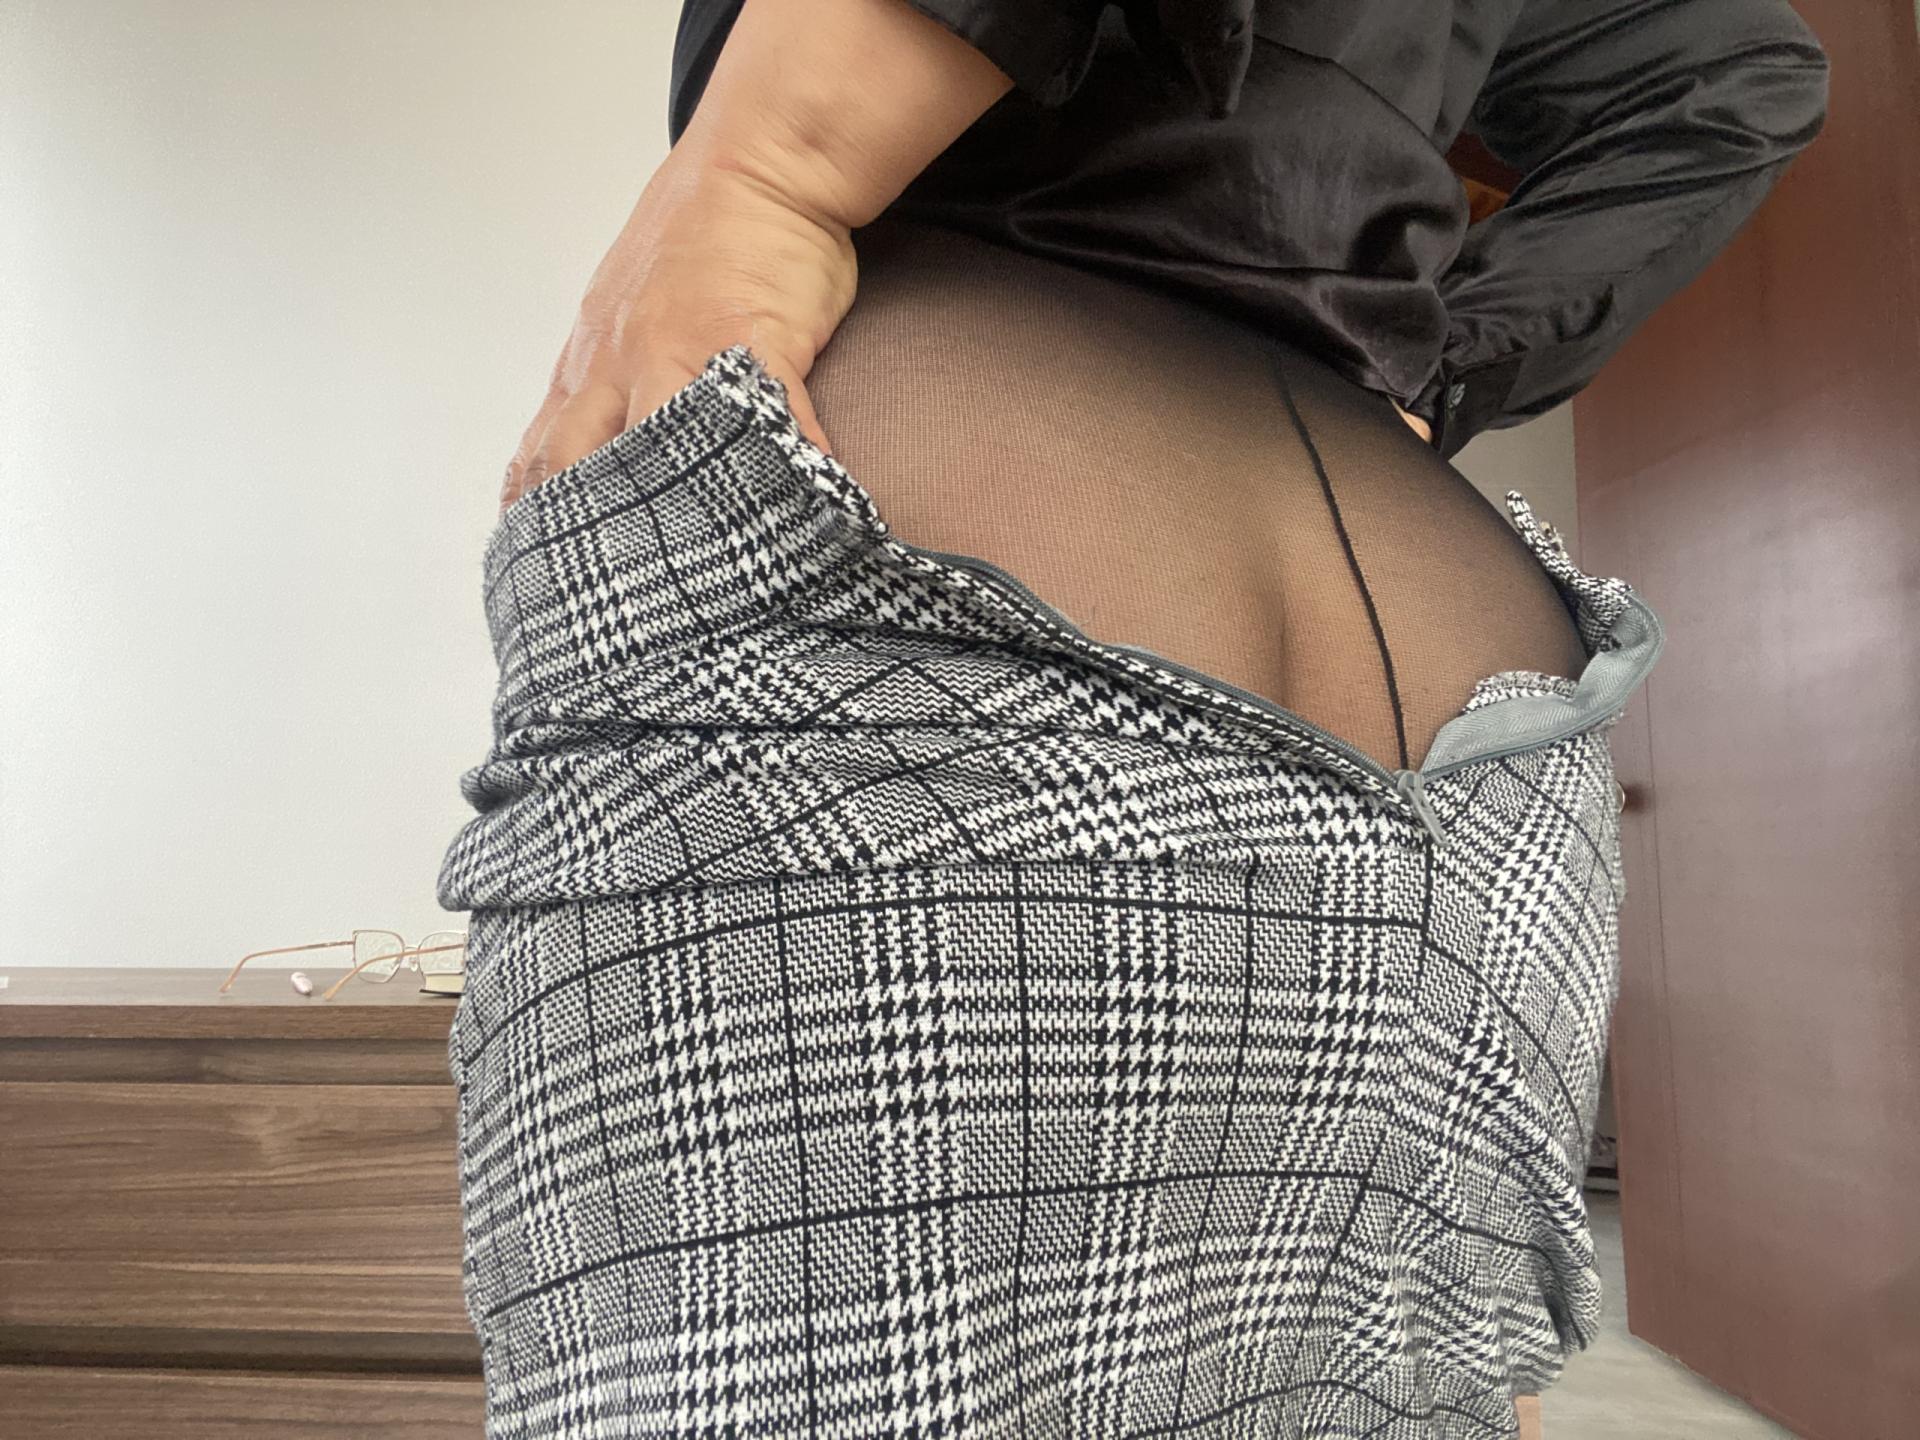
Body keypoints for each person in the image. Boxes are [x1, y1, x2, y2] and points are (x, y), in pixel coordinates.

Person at [437, 1, 1829, 1436]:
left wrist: (771, 163)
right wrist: (1446, 364)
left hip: (949, 550)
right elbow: (1734, 71)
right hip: (1473, 710)